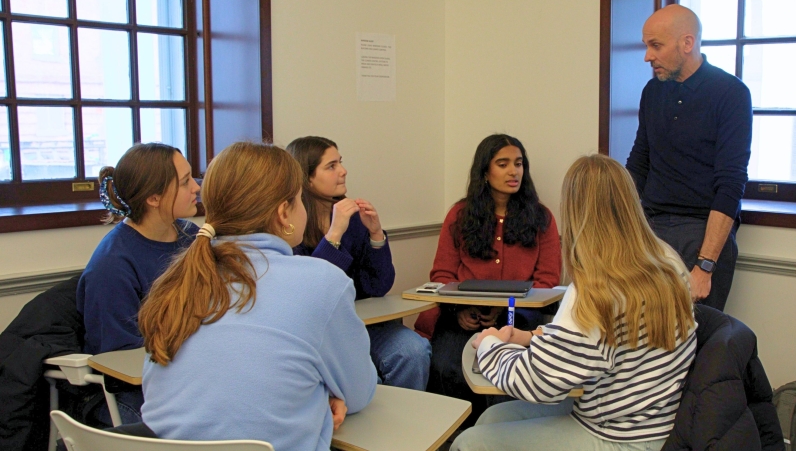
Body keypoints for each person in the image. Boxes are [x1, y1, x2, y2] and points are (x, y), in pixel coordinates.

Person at [139, 142, 377, 450]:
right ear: (283, 213)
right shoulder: (322, 281)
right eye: (299, 201)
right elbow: (358, 393)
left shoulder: (174, 283)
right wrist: (321, 396)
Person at [451, 154, 697, 451]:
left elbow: (537, 382)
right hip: (647, 420)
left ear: (576, 211)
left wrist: (491, 344)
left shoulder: (597, 287)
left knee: (467, 444)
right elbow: (604, 344)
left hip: (616, 436)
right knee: (493, 418)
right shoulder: (667, 260)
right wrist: (530, 337)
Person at [415, 133, 561, 423]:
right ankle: (460, 435)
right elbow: (442, 275)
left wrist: (505, 310)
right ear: (485, 171)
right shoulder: (460, 215)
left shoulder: (541, 217)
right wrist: (460, 311)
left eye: (518, 164)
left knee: (503, 378)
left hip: (518, 321)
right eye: (503, 164)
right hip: (460, 318)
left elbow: (547, 282)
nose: (513, 171)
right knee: (447, 366)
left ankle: (497, 436)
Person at [626, 3, 752, 311]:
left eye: (656, 45)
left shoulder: (730, 93)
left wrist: (705, 266)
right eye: (646, 46)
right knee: (642, 338)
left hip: (700, 230)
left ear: (687, 43)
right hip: (651, 227)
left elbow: (731, 183)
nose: (647, 56)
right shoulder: (652, 91)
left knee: (694, 343)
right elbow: (638, 165)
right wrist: (619, 229)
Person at [285, 136, 431, 391]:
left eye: (340, 162)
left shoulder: (352, 219)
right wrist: (334, 235)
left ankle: (405, 426)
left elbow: (379, 286)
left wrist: (376, 235)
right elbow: (310, 292)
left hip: (364, 324)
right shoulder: (292, 225)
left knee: (414, 351)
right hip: (322, 334)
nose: (343, 171)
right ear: (306, 178)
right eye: (331, 166)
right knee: (365, 379)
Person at [76, 143, 200, 425]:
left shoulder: (191, 237)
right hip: (132, 391)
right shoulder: (112, 265)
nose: (196, 187)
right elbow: (120, 357)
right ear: (154, 198)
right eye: (184, 182)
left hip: (188, 374)